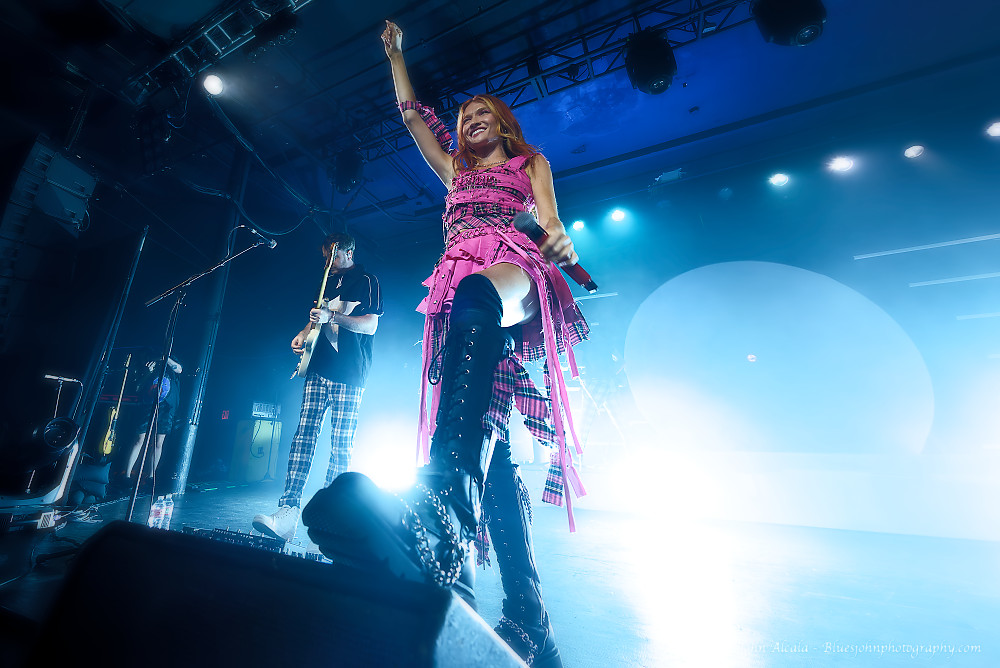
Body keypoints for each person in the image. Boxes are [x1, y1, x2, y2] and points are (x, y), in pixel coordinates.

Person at [302, 21, 589, 668]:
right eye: (465, 115)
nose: (473, 120)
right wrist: (397, 56)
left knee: (480, 298)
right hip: (461, 290)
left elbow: (551, 223)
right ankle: (531, 618)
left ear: (505, 124)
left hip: (513, 270)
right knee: (492, 448)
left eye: (485, 113)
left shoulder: (529, 163)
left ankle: (443, 505)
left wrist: (560, 241)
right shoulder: (452, 170)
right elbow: (410, 119)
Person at [253, 232, 382, 542]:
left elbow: (371, 325)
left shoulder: (367, 280)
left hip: (350, 373)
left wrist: (332, 315)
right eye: (326, 256)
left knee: (340, 445)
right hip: (318, 368)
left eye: (335, 256)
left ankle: (332, 513)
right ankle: (287, 512)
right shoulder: (325, 281)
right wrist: (303, 333)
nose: (330, 262)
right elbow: (316, 320)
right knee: (303, 437)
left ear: (350, 251)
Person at [123, 356, 183, 487]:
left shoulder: (172, 362)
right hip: (148, 404)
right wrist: (149, 370)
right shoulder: (150, 360)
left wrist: (165, 358)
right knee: (139, 439)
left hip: (166, 407)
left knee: (158, 442)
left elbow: (179, 369)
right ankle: (127, 476)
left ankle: (150, 477)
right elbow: (139, 384)